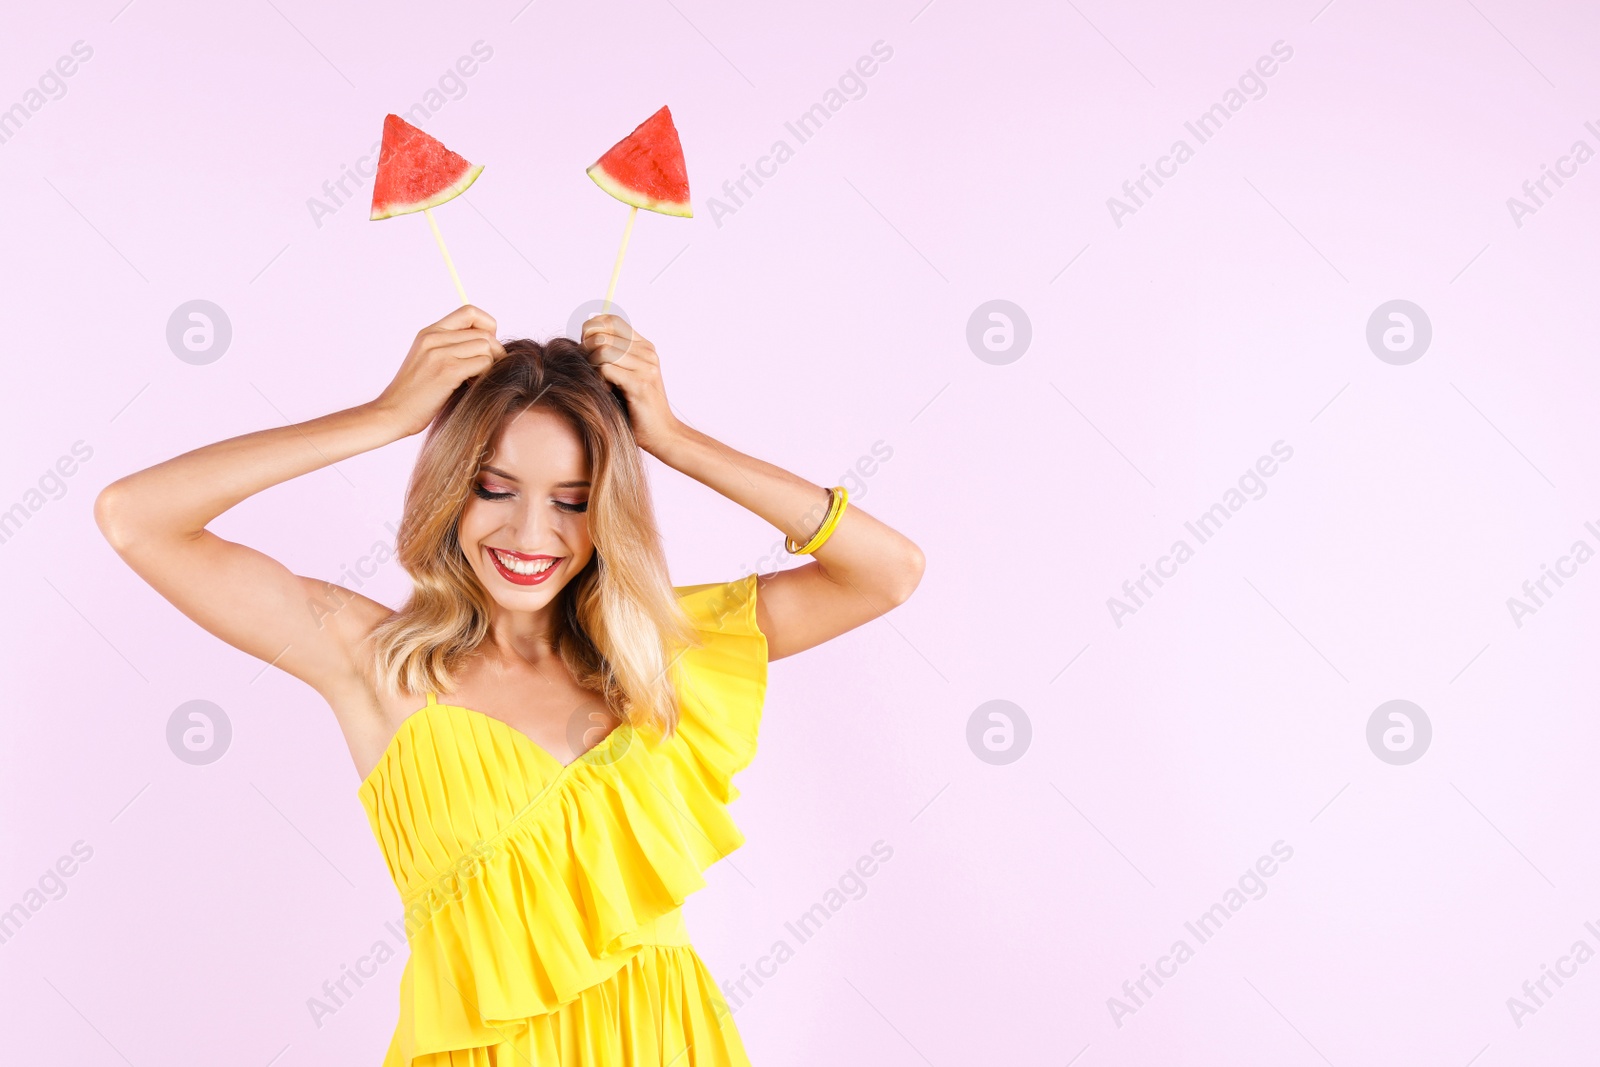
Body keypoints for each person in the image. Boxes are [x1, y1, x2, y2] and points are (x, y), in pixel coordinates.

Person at [93, 305, 924, 1065]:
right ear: (452, 486)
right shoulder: (376, 661)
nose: (532, 533)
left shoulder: (660, 650)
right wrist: (384, 418)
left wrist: (671, 439)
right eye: (495, 488)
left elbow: (888, 572)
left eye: (573, 499)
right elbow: (136, 515)